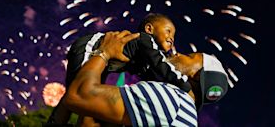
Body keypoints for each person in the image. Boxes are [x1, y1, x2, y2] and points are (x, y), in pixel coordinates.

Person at [47, 13, 192, 125]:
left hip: (102, 64)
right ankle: (55, 123)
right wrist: (183, 84)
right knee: (78, 94)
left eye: (173, 35)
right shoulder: (145, 40)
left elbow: (152, 76)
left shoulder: (144, 57)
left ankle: (57, 122)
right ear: (149, 29)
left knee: (88, 102)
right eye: (168, 31)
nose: (171, 38)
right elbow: (161, 66)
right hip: (89, 48)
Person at [64, 30, 229, 127]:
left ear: (197, 75)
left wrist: (104, 52)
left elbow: (78, 96)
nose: (178, 53)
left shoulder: (172, 100)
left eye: (189, 56)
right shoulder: (186, 117)